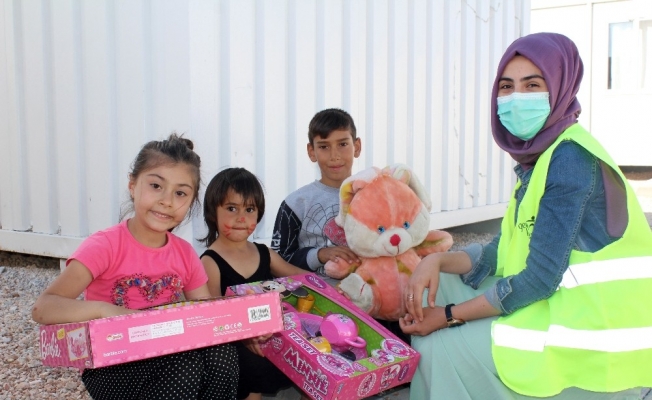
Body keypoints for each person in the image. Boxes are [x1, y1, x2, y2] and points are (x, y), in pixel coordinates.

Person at [399, 32, 652, 400]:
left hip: (600, 337)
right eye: (507, 86)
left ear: (560, 88)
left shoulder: (570, 159)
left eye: (532, 85)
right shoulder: (542, 158)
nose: (516, 98)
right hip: (566, 304)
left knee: (441, 345)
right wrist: (435, 260)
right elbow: (501, 251)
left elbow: (537, 280)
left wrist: (450, 315)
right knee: (437, 291)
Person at [32, 134, 239, 400]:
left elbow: (205, 317)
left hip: (167, 356)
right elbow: (43, 307)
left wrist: (242, 322)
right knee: (184, 365)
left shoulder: (185, 254)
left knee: (222, 353)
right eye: (156, 186)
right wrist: (104, 310)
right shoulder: (105, 246)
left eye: (180, 193)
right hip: (111, 364)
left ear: (191, 202)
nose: (167, 200)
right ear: (132, 185)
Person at [199, 167, 309, 400]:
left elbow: (301, 278)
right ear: (212, 212)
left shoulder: (264, 253)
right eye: (232, 208)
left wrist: (332, 287)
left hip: (274, 335)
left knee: (310, 356)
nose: (242, 218)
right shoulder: (210, 261)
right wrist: (245, 335)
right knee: (251, 365)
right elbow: (213, 317)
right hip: (238, 343)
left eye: (249, 209)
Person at [270, 108, 361, 276]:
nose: (334, 155)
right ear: (312, 151)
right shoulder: (296, 203)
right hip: (315, 291)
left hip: (369, 290)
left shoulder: (373, 196)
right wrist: (319, 255)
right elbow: (278, 261)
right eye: (324, 146)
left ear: (356, 147)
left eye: (342, 144)